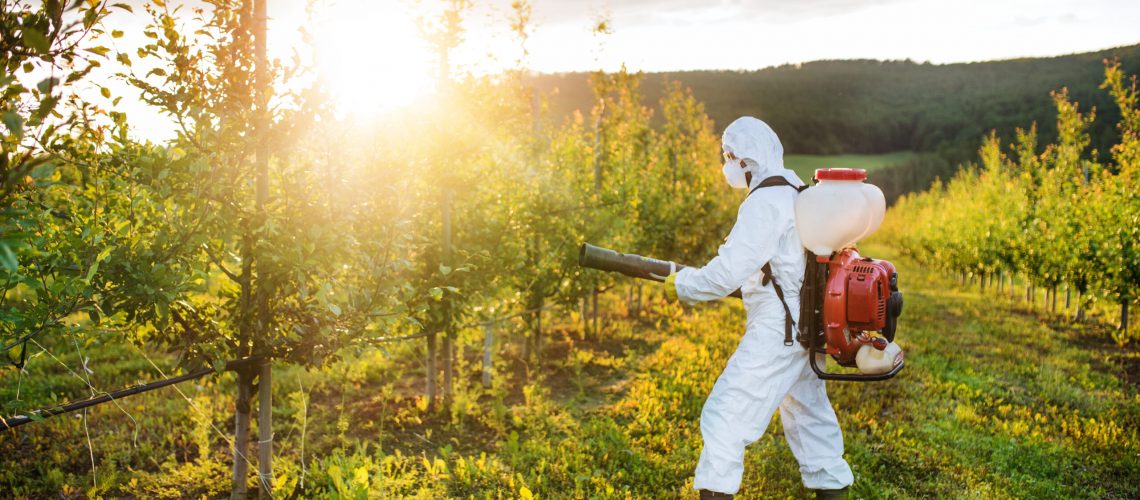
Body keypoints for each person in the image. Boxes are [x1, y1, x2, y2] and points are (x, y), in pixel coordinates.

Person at [660, 117, 854, 499]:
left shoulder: (765, 202)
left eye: (729, 157)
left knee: (725, 416)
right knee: (809, 415)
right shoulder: (798, 190)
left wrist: (682, 285)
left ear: (745, 161)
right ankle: (834, 489)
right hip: (808, 325)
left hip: (778, 330)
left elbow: (727, 272)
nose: (727, 165)